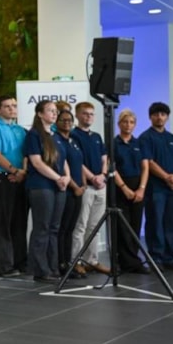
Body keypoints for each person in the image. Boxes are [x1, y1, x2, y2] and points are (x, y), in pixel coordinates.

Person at [24, 100, 70, 283]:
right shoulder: (34, 134)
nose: (54, 113)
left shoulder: (56, 136)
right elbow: (36, 162)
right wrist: (57, 178)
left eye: (55, 111)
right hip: (41, 185)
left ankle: (53, 267)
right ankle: (40, 270)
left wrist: (67, 177)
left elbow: (63, 160)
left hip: (59, 186)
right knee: (42, 228)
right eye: (50, 110)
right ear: (40, 114)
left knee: (54, 228)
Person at [0, 95, 27, 277]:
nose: (12, 109)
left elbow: (26, 154)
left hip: (19, 179)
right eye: (7, 106)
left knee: (19, 222)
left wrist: (22, 172)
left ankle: (20, 262)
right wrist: (14, 171)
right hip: (0, 178)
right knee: (1, 223)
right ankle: (3, 266)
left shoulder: (20, 130)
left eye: (14, 105)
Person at [139, 102, 173, 271]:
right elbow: (149, 163)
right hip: (156, 188)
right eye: (156, 114)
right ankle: (155, 258)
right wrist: (167, 177)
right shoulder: (145, 138)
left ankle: (169, 258)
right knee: (155, 222)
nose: (159, 117)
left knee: (172, 223)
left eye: (163, 114)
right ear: (150, 117)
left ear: (167, 117)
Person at [69, 102, 110, 275]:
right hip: (86, 186)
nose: (89, 117)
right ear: (77, 115)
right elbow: (77, 161)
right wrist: (93, 177)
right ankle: (75, 261)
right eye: (85, 113)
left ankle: (91, 260)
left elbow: (104, 158)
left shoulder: (97, 136)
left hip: (101, 186)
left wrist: (103, 175)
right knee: (80, 226)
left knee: (95, 226)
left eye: (91, 114)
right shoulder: (73, 135)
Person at [112, 109, 150, 274]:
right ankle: (128, 262)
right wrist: (124, 188)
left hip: (138, 186)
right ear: (119, 124)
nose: (128, 125)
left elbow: (145, 167)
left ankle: (132, 259)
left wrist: (141, 188)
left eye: (131, 122)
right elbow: (111, 167)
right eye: (125, 122)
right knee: (123, 227)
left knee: (135, 225)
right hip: (120, 186)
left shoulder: (139, 143)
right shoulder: (113, 143)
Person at [54, 109, 87, 278]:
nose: (67, 122)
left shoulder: (73, 140)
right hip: (66, 190)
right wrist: (75, 187)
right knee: (63, 228)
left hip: (78, 190)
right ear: (56, 122)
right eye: (63, 120)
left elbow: (79, 163)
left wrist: (84, 183)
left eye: (69, 120)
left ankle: (69, 263)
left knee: (71, 229)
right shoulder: (56, 140)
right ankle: (60, 263)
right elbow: (62, 167)